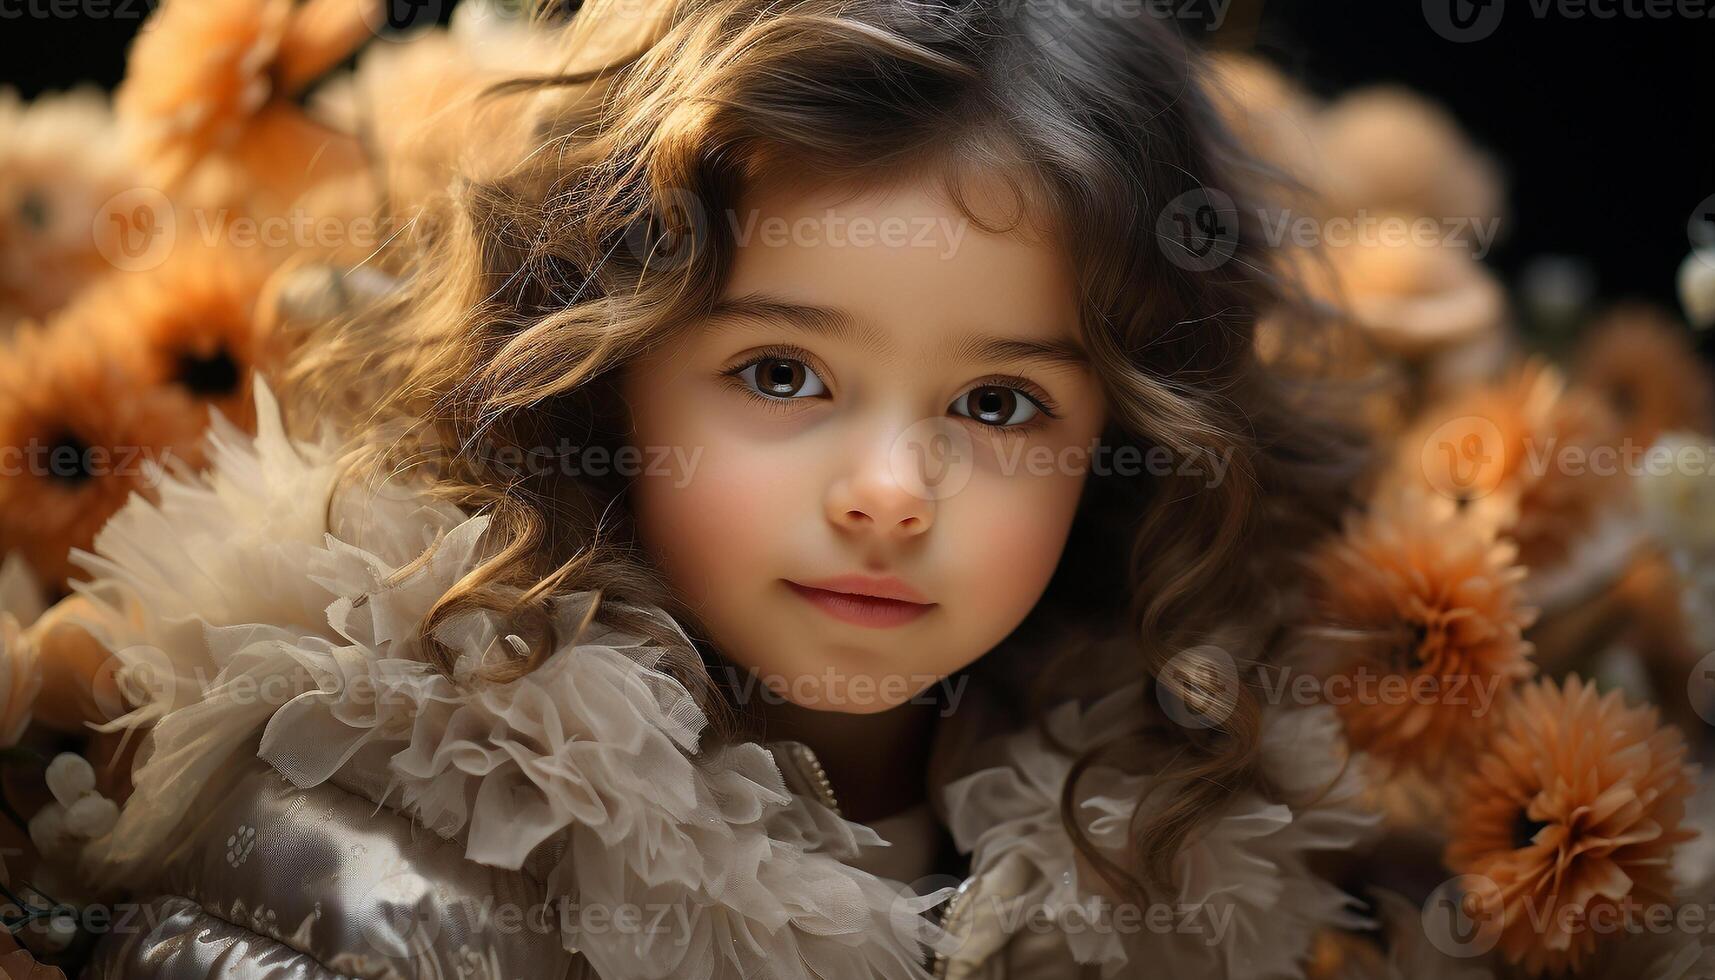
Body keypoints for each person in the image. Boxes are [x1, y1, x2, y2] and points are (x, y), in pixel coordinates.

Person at [44, 0, 1373, 976]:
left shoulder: (1170, 838)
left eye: (998, 402)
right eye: (783, 375)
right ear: (602, 370)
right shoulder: (380, 819)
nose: (891, 494)